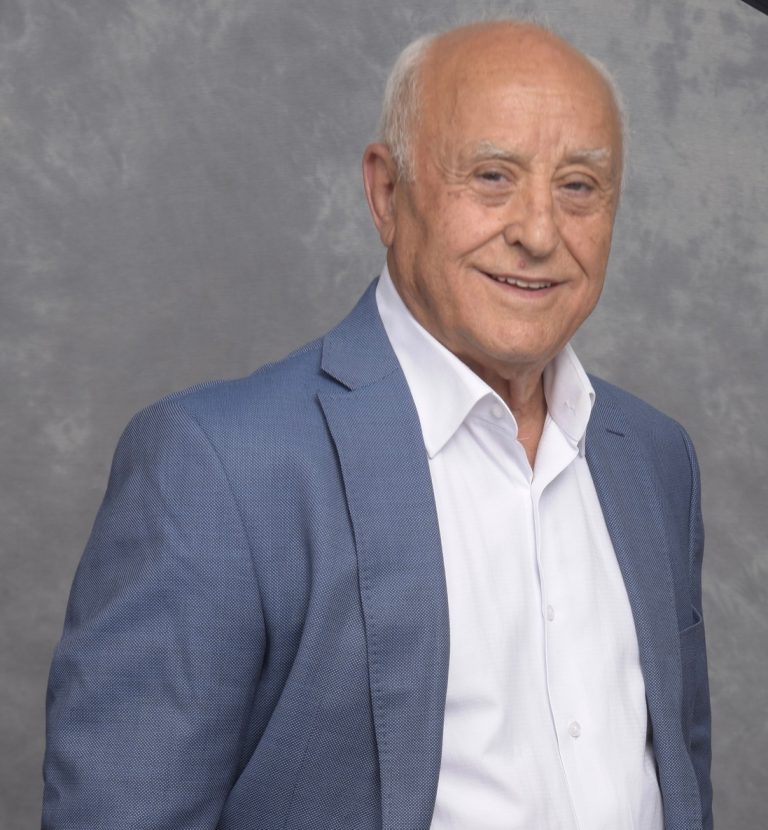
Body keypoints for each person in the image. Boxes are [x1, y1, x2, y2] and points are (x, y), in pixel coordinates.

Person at [42, 19, 712, 830]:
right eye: (492, 176)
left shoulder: (654, 459)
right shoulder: (218, 468)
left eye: (578, 187)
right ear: (388, 194)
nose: (539, 233)